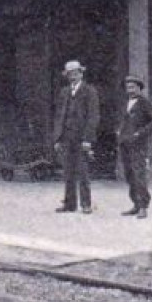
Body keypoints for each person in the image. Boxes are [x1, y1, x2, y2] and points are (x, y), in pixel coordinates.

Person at [54, 59, 101, 214]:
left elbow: (93, 117)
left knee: (83, 171)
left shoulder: (90, 91)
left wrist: (88, 139)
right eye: (69, 74)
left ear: (81, 73)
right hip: (67, 137)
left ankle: (86, 204)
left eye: (75, 73)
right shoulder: (64, 92)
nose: (72, 76)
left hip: (81, 138)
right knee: (67, 171)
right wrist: (58, 138)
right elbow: (60, 116)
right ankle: (69, 203)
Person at [117, 76, 152, 218]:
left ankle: (143, 206)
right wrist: (119, 131)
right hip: (125, 143)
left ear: (139, 88)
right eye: (128, 87)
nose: (130, 90)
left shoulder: (146, 103)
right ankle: (135, 204)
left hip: (138, 144)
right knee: (129, 175)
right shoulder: (125, 103)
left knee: (139, 174)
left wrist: (140, 133)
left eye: (133, 87)